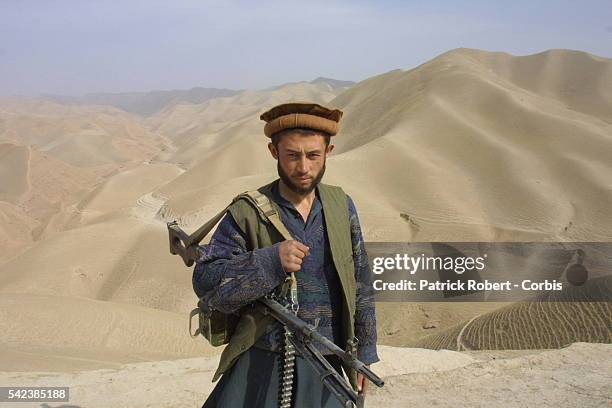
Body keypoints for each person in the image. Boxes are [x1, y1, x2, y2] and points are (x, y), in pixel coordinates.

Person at [192, 102, 379, 407]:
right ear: (273, 152)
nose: (303, 167)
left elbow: (361, 282)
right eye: (292, 155)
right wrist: (269, 262)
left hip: (327, 361)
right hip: (262, 360)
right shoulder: (247, 212)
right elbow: (206, 281)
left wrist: (365, 355)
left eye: (313, 155)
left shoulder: (341, 206)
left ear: (328, 152)